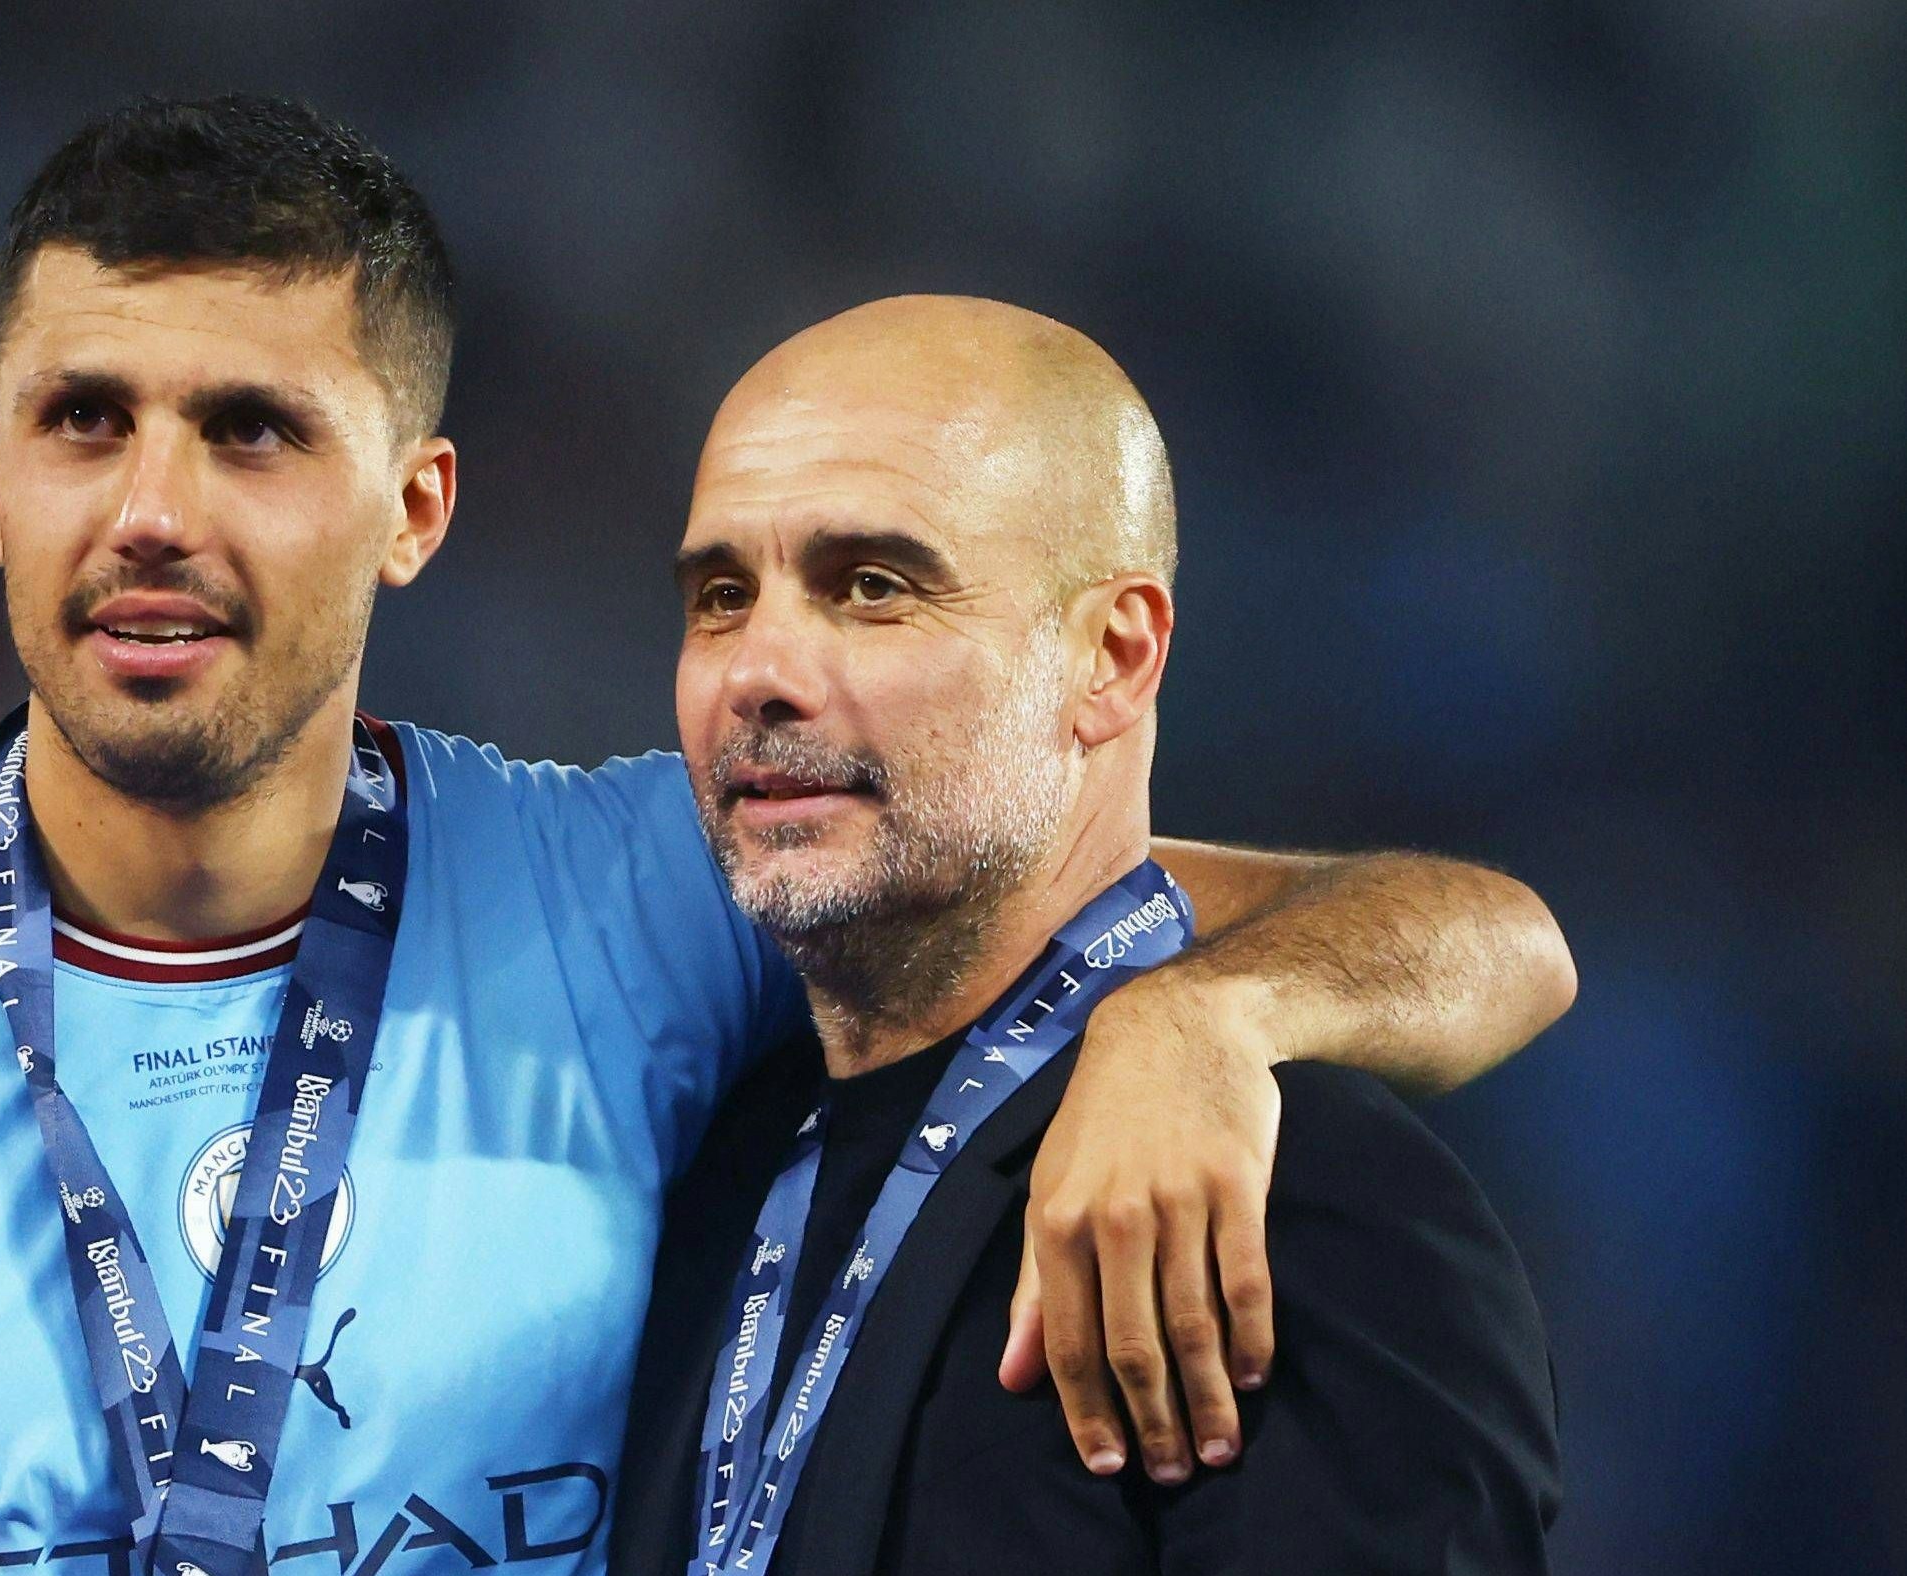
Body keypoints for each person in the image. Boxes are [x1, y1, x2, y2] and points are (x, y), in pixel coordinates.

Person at [0, 99, 1572, 1576]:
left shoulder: (653, 893)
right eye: (83, 423)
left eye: (251, 431)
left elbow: (1477, 936)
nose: (153, 511)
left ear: (415, 503)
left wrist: (1217, 1014)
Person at [607, 297, 1562, 1576]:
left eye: (873, 587)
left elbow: (1510, 942)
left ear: (1111, 658)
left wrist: (1199, 1013)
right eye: (722, 595)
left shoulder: (1279, 1196)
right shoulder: (702, 1167)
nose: (757, 668)